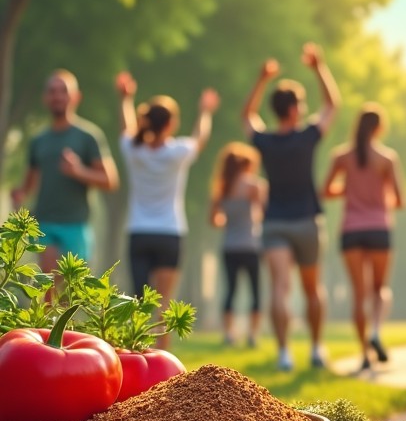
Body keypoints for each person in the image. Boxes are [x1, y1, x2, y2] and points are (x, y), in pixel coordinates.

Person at [243, 43, 340, 371]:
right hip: (306, 222)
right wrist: (319, 67)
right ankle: (315, 348)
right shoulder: (307, 137)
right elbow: (332, 104)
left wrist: (261, 80)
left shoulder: (266, 142)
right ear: (295, 109)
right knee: (312, 288)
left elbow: (247, 117)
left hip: (274, 224)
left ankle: (284, 352)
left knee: (280, 289)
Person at [117, 72, 219, 349]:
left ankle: (137, 353)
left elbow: (125, 128)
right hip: (169, 234)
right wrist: (205, 111)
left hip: (139, 232)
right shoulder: (177, 152)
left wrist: (125, 98)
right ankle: (164, 365)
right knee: (163, 303)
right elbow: (201, 137)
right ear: (172, 123)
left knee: (140, 302)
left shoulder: (134, 151)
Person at [322, 104, 406, 372]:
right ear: (379, 128)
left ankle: (364, 354)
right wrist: (381, 198)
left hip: (351, 230)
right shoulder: (387, 158)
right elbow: (400, 199)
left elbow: (325, 190)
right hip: (379, 228)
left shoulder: (342, 157)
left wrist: (348, 190)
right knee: (380, 289)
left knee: (359, 294)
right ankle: (377, 331)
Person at [11, 69, 119, 271]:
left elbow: (110, 180)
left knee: (69, 293)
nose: (57, 96)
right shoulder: (38, 141)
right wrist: (19, 196)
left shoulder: (89, 136)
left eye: (63, 91)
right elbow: (29, 183)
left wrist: (79, 171)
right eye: (52, 91)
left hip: (76, 225)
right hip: (45, 224)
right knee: (50, 286)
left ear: (76, 97)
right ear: (45, 98)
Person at [210, 142, 267, 348]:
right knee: (255, 290)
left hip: (229, 246)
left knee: (230, 290)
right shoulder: (254, 185)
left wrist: (228, 220)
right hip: (251, 244)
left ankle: (228, 334)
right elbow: (262, 213)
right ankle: (252, 335)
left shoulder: (222, 188)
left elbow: (214, 220)